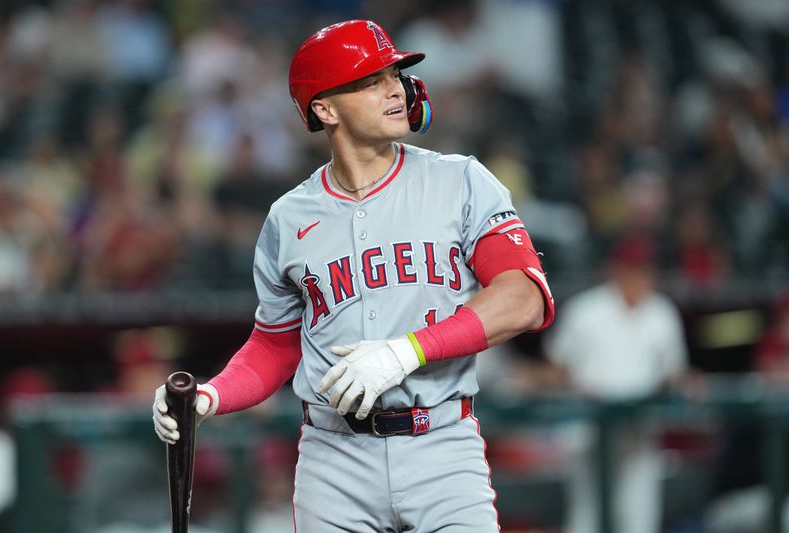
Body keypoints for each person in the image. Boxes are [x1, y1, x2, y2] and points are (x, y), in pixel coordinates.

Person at [152, 19, 554, 532]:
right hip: (333, 460)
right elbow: (275, 344)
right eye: (370, 81)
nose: (394, 90)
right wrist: (210, 396)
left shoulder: (461, 180)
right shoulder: (288, 218)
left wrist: (405, 351)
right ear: (324, 108)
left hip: (442, 448)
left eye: (394, 76)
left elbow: (525, 298)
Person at [543, 232, 690, 533]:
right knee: (587, 521)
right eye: (633, 268)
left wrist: (681, 382)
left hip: (640, 434)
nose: (640, 276)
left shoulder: (662, 312)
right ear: (616, 269)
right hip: (589, 434)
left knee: (639, 523)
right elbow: (557, 368)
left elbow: (674, 372)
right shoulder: (587, 310)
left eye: (645, 269)